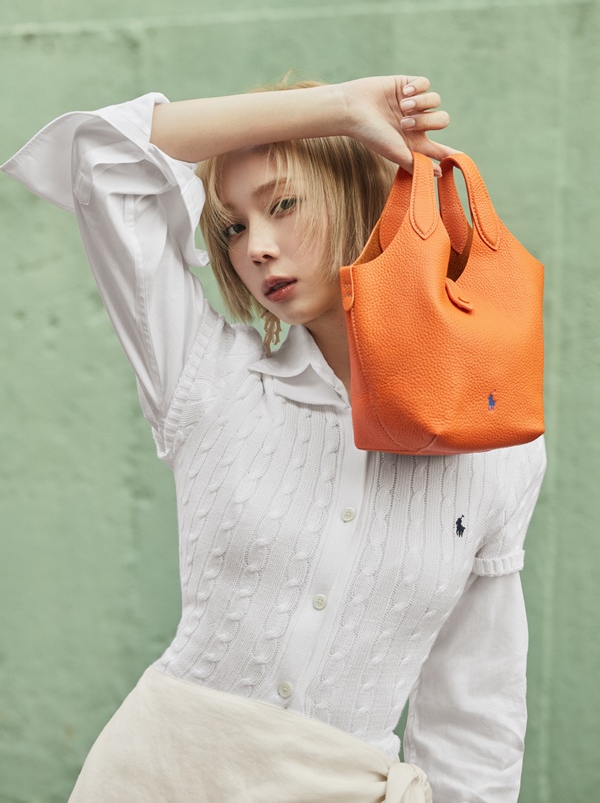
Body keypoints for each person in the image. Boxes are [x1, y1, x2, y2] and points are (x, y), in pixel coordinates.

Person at [0, 73, 547, 802]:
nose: (256, 247)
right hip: (159, 776)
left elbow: (475, 711)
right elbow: (104, 155)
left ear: (357, 195)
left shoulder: (499, 447)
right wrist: (339, 109)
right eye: (232, 227)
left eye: (282, 205)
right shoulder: (207, 378)